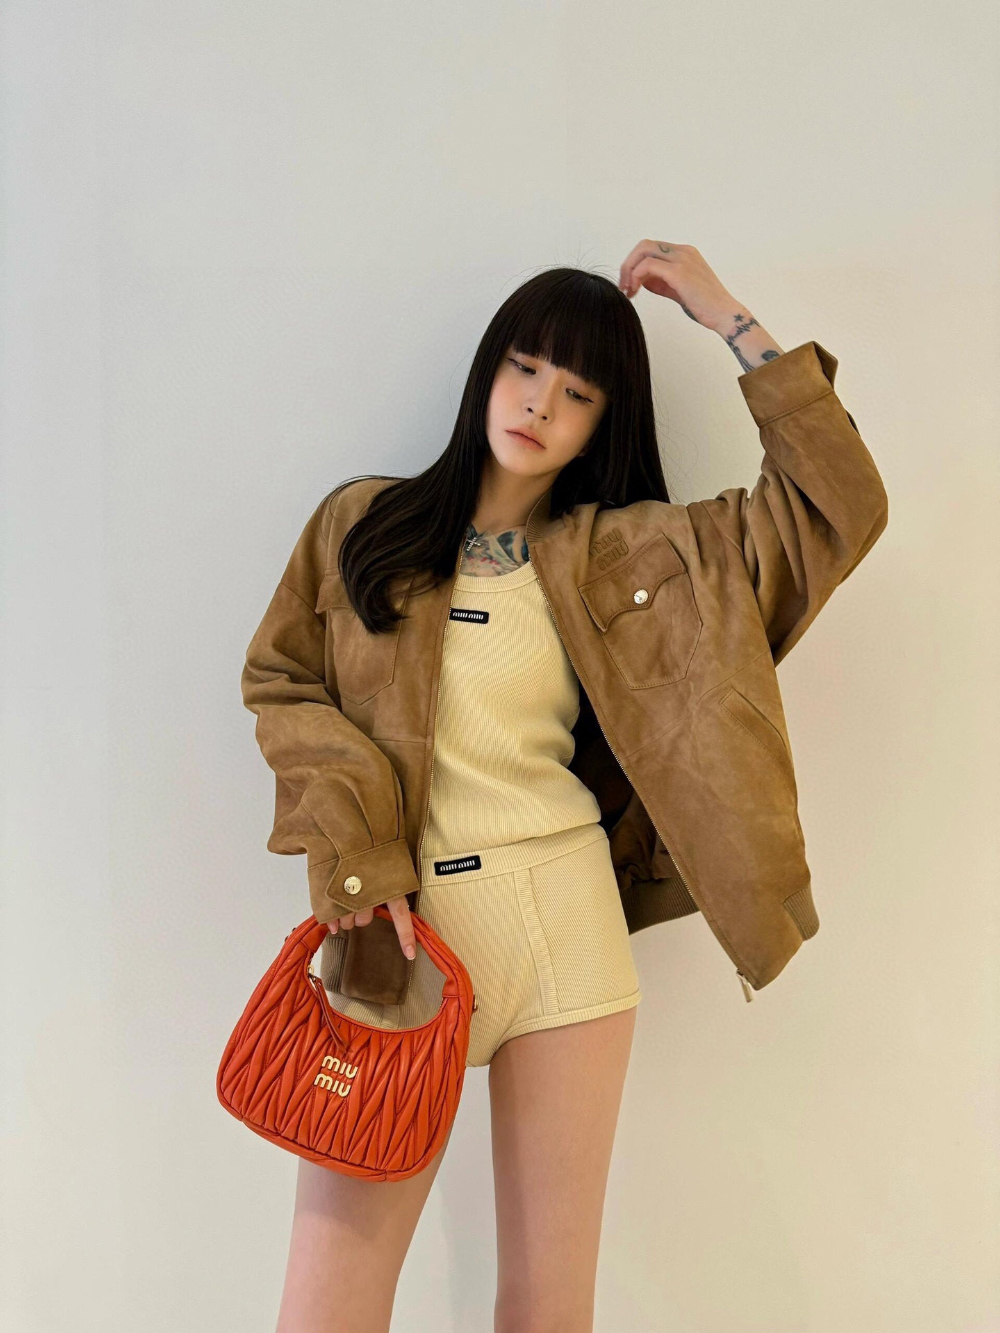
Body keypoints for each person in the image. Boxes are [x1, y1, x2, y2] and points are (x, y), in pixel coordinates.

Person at [241, 241, 888, 1333]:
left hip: (565, 932)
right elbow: (282, 682)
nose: (541, 403)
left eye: (578, 392)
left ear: (603, 424)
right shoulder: (364, 525)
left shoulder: (637, 556)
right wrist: (360, 855)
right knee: (325, 1312)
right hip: (400, 947)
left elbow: (839, 504)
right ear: (489, 368)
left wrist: (725, 314)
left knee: (549, 1312)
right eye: (526, 367)